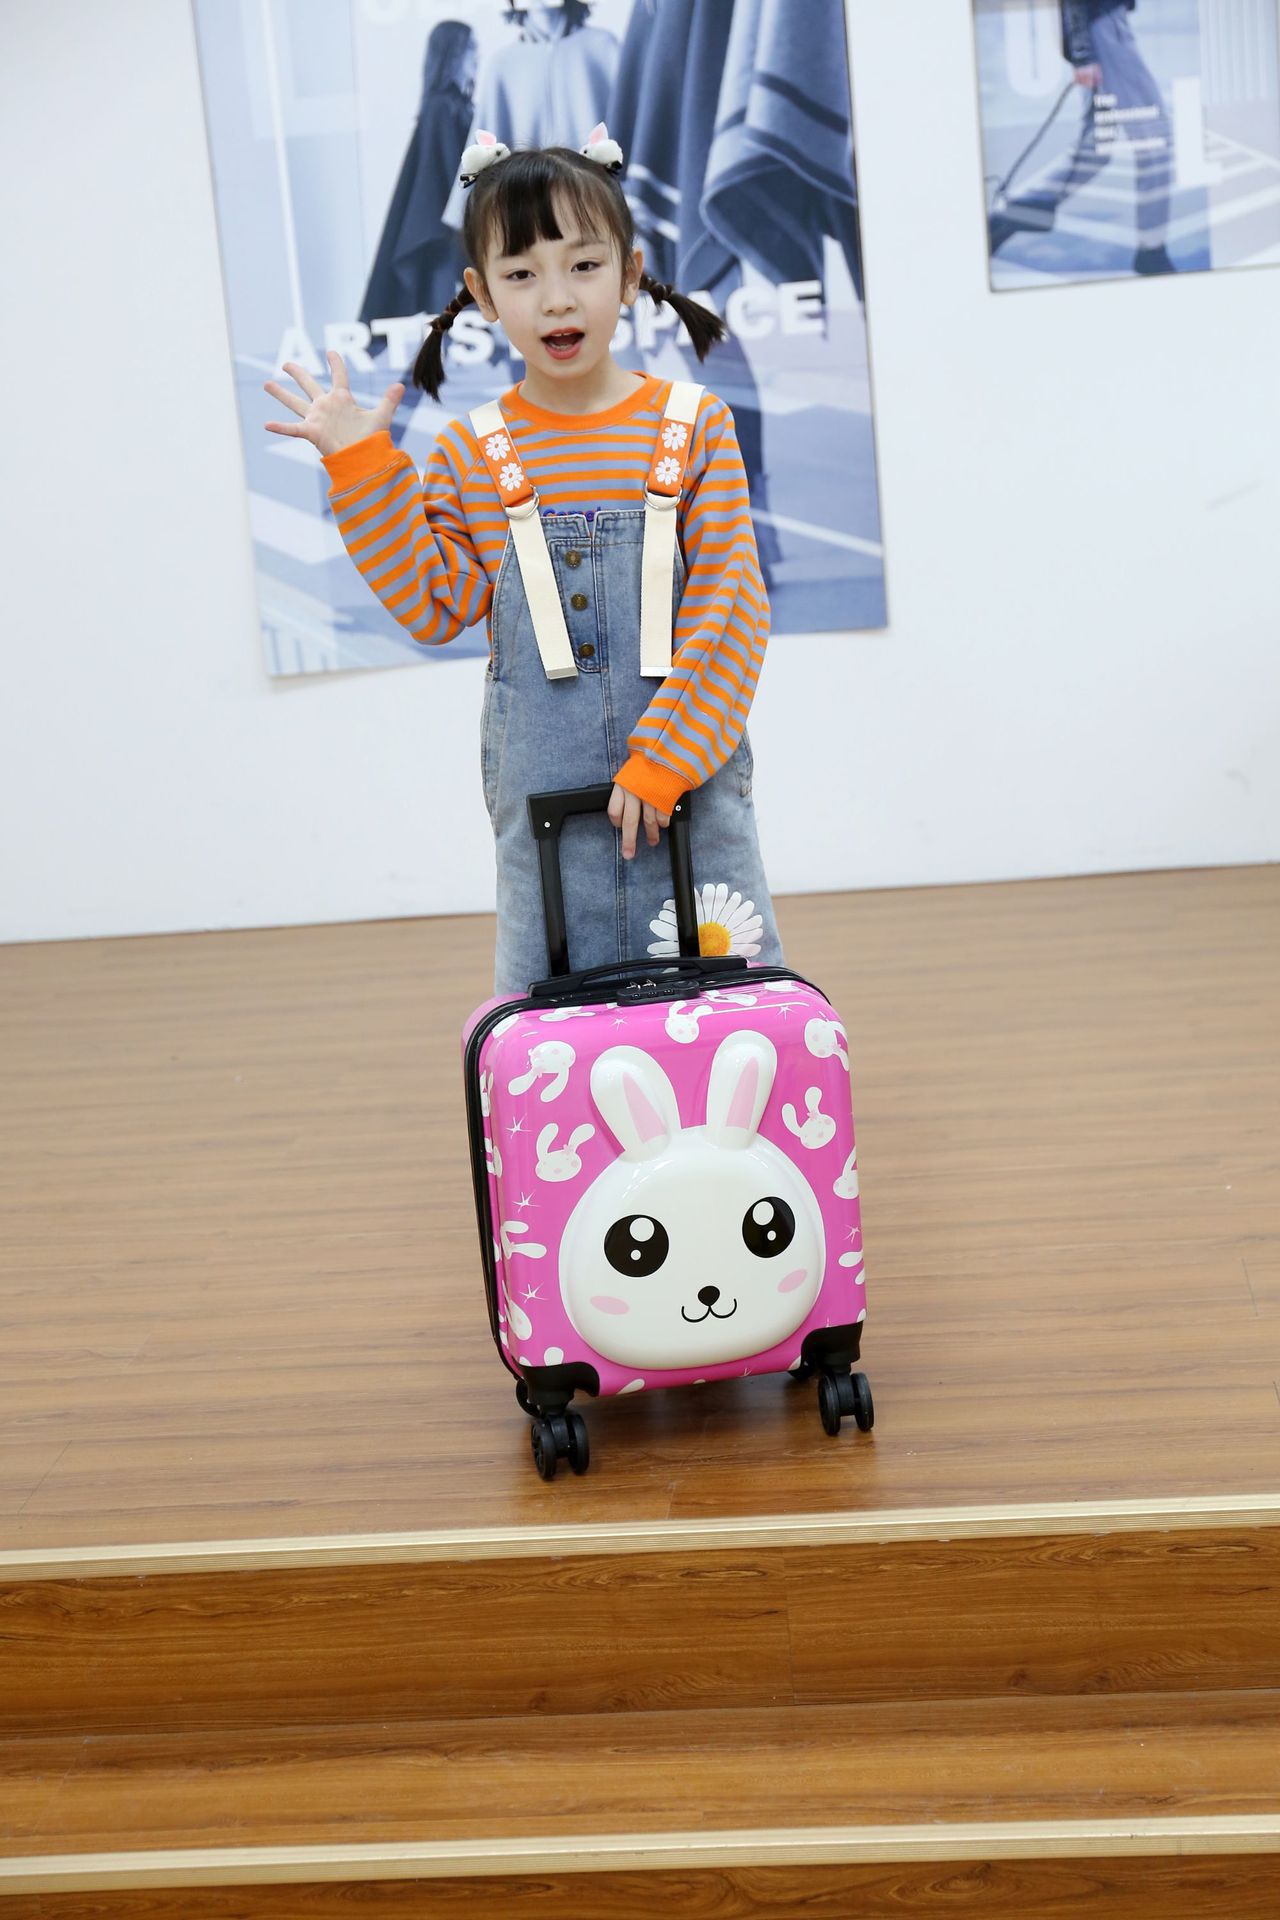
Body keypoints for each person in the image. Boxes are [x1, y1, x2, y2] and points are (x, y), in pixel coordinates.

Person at [262, 127, 783, 997]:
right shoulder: (470, 452)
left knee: (723, 1015)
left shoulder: (696, 427)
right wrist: (361, 467)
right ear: (482, 294)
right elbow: (435, 604)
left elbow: (730, 611)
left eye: (584, 265)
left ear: (630, 273)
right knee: (558, 1032)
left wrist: (666, 758)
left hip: (688, 786)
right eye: (521, 274)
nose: (556, 299)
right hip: (546, 823)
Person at [988, 0, 1177, 277]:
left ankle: (1018, 209)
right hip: (1104, 23)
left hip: (1103, 22)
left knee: (1097, 146)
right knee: (1155, 139)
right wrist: (1083, 54)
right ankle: (1152, 250)